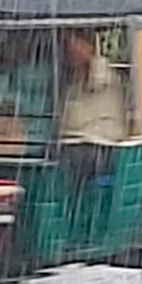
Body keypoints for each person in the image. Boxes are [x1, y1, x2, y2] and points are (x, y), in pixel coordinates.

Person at [59, 30, 128, 185]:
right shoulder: (73, 82)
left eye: (75, 45)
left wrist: (92, 59)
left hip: (102, 144)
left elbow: (97, 79)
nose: (71, 52)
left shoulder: (106, 74)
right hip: (75, 142)